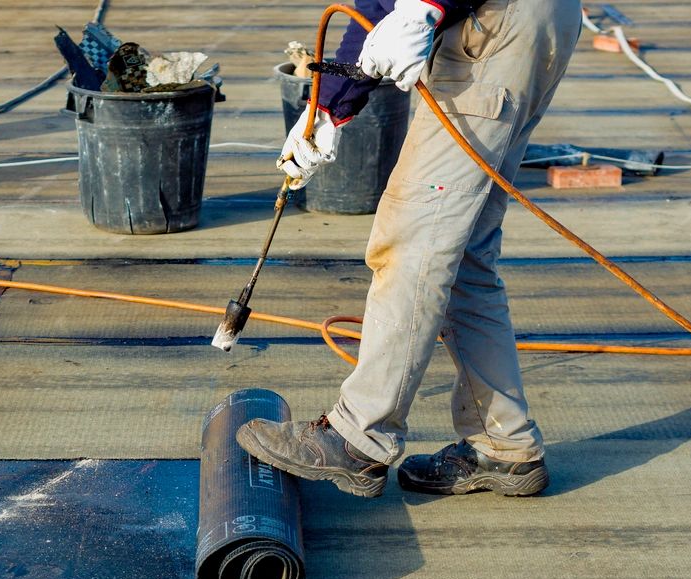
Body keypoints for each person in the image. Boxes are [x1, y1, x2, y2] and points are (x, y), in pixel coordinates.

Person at [237, 0, 582, 498]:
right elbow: (376, 7)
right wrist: (331, 107)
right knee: (461, 252)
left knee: (413, 239)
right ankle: (503, 444)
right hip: (534, 19)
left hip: (497, 23)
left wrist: (427, 5)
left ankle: (359, 438)